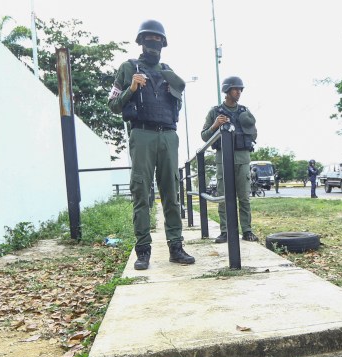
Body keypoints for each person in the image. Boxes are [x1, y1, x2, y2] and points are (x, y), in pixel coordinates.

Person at [107, 19, 195, 270]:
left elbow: (176, 102)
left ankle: (176, 247)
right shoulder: (127, 68)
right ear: (141, 42)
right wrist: (131, 88)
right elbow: (113, 105)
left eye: (157, 40)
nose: (153, 44)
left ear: (164, 44)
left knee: (171, 193)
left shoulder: (169, 71)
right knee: (141, 192)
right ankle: (143, 250)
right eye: (148, 40)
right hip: (142, 134)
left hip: (168, 135)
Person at [200, 76, 259, 244]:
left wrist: (246, 126)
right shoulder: (215, 112)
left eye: (240, 89)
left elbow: (254, 133)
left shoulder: (245, 111)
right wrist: (215, 125)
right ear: (227, 91)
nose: (238, 92)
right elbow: (204, 137)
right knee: (224, 197)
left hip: (242, 158)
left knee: (244, 197)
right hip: (223, 158)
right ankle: (225, 231)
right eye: (235, 89)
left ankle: (247, 230)